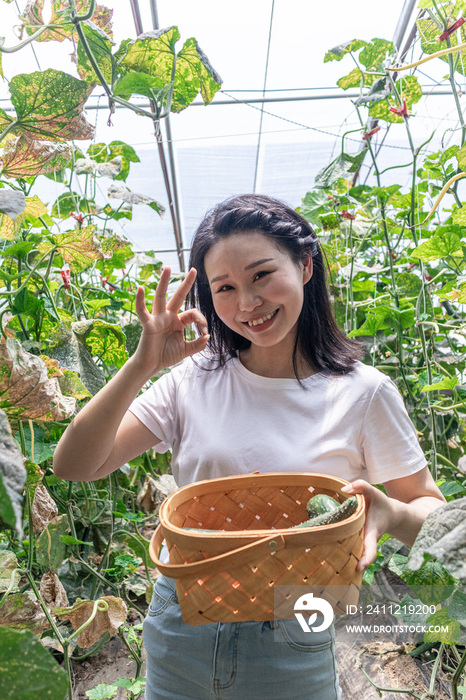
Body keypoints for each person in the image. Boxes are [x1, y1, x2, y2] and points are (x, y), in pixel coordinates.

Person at [53, 194, 445, 700]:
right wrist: (142, 365)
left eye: (262, 275)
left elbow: (431, 514)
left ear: (305, 265)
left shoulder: (364, 393)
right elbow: (75, 465)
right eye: (225, 288)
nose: (247, 304)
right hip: (181, 620)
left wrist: (390, 513)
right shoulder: (192, 380)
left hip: (294, 624)